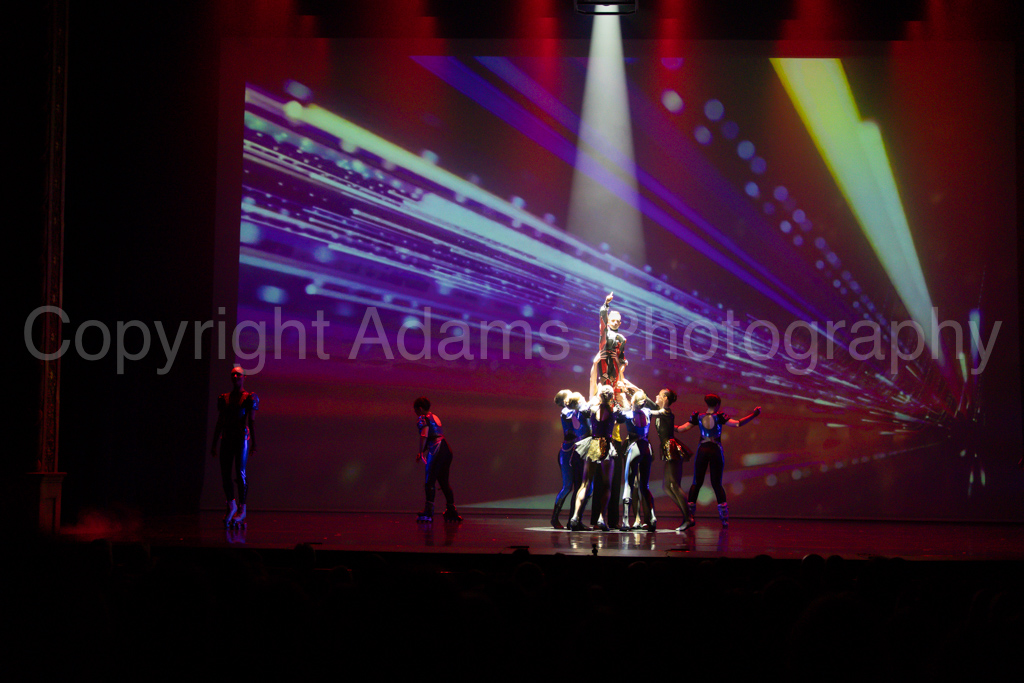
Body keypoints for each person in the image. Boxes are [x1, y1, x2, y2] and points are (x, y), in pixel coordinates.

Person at [678, 394, 761, 528]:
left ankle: (688, 517)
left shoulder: (698, 416)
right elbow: (737, 423)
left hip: (702, 450)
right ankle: (724, 519)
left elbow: (681, 429)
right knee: (717, 484)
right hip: (715, 450)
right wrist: (753, 415)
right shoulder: (720, 416)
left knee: (696, 483)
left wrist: (667, 424)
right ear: (717, 405)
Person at [212, 365, 258, 527]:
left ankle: (242, 508)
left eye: (238, 375)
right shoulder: (224, 398)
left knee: (240, 472)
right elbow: (220, 421)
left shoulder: (249, 397)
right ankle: (231, 504)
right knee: (225, 473)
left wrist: (254, 443)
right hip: (227, 438)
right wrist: (214, 443)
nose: (235, 377)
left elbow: (251, 421)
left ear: (244, 377)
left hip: (240, 438)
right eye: (233, 375)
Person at [567, 385, 618, 532]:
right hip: (606, 445)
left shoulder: (592, 409)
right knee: (607, 485)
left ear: (600, 396)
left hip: (594, 443)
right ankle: (601, 518)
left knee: (585, 483)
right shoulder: (614, 411)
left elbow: (584, 410)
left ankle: (575, 516)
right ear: (611, 397)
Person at [646, 389, 696, 531]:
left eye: (659, 394)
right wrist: (630, 387)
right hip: (667, 447)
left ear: (665, 399)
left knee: (673, 484)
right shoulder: (661, 411)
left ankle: (688, 518)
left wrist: (639, 407)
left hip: (671, 447)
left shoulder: (665, 412)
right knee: (667, 487)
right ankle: (687, 516)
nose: (656, 396)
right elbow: (649, 403)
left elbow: (649, 411)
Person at [414, 397, 460, 523]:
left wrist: (420, 452)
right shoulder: (434, 416)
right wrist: (423, 451)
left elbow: (424, 435)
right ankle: (451, 510)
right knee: (444, 482)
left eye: (416, 410)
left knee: (429, 481)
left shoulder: (423, 418)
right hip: (445, 448)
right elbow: (435, 434)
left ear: (420, 409)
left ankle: (428, 512)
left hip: (436, 449)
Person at [618, 389, 656, 531]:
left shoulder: (628, 414)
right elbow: (656, 410)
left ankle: (625, 521)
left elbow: (620, 413)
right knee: (645, 486)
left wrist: (622, 400)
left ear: (633, 401)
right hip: (646, 447)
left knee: (629, 484)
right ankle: (652, 517)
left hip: (635, 447)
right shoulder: (647, 412)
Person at [552, 390, 589, 529]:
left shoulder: (574, 411)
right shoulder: (566, 412)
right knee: (568, 486)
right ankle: (555, 517)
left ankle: (573, 519)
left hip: (574, 451)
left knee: (579, 486)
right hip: (568, 452)